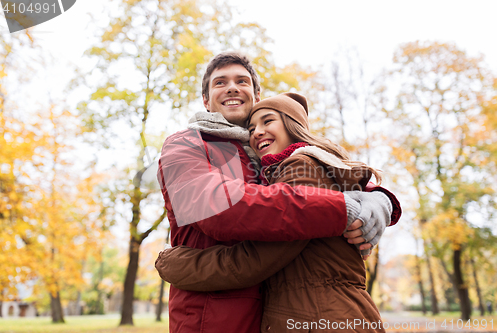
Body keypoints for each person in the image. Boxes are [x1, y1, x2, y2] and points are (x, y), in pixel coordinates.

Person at [156, 52, 401, 333]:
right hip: (212, 317)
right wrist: (343, 208)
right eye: (220, 83)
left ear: (256, 96)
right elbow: (219, 208)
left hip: (275, 312)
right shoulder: (188, 144)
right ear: (206, 100)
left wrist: (379, 198)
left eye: (242, 81)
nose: (232, 87)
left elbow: (324, 174)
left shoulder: (271, 156)